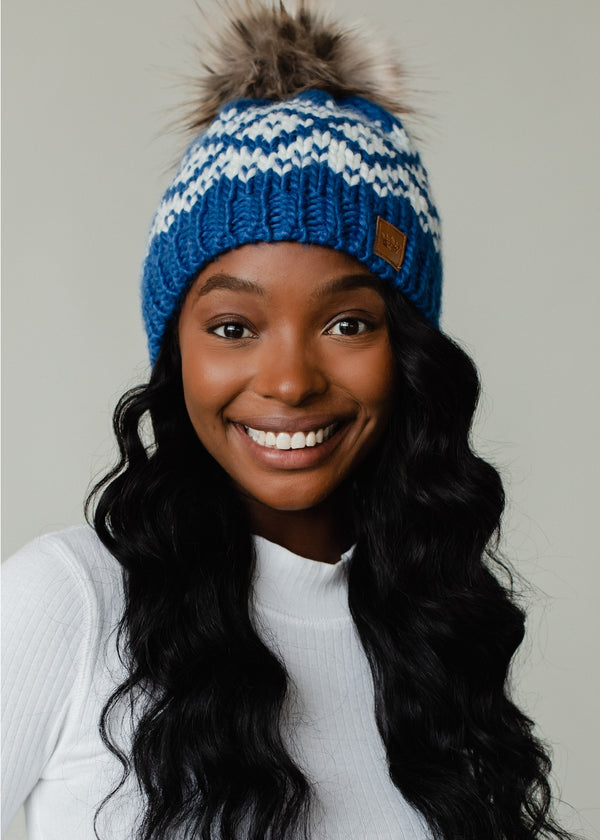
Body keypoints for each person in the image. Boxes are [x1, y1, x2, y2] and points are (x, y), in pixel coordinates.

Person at [1, 3, 580, 839]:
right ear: (178, 356)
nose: (289, 382)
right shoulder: (71, 602)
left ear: (409, 350)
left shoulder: (431, 633)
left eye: (347, 324)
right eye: (233, 328)